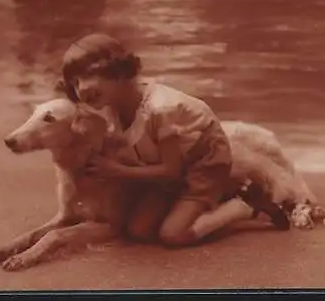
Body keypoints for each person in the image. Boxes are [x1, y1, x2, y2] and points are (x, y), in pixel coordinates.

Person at [58, 33, 288, 247]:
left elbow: (172, 171)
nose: (82, 88)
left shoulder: (160, 110)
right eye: (76, 83)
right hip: (167, 162)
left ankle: (242, 206)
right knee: (139, 230)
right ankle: (207, 202)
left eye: (88, 76)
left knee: (172, 235)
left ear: (117, 71)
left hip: (203, 162)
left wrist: (116, 170)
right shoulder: (113, 107)